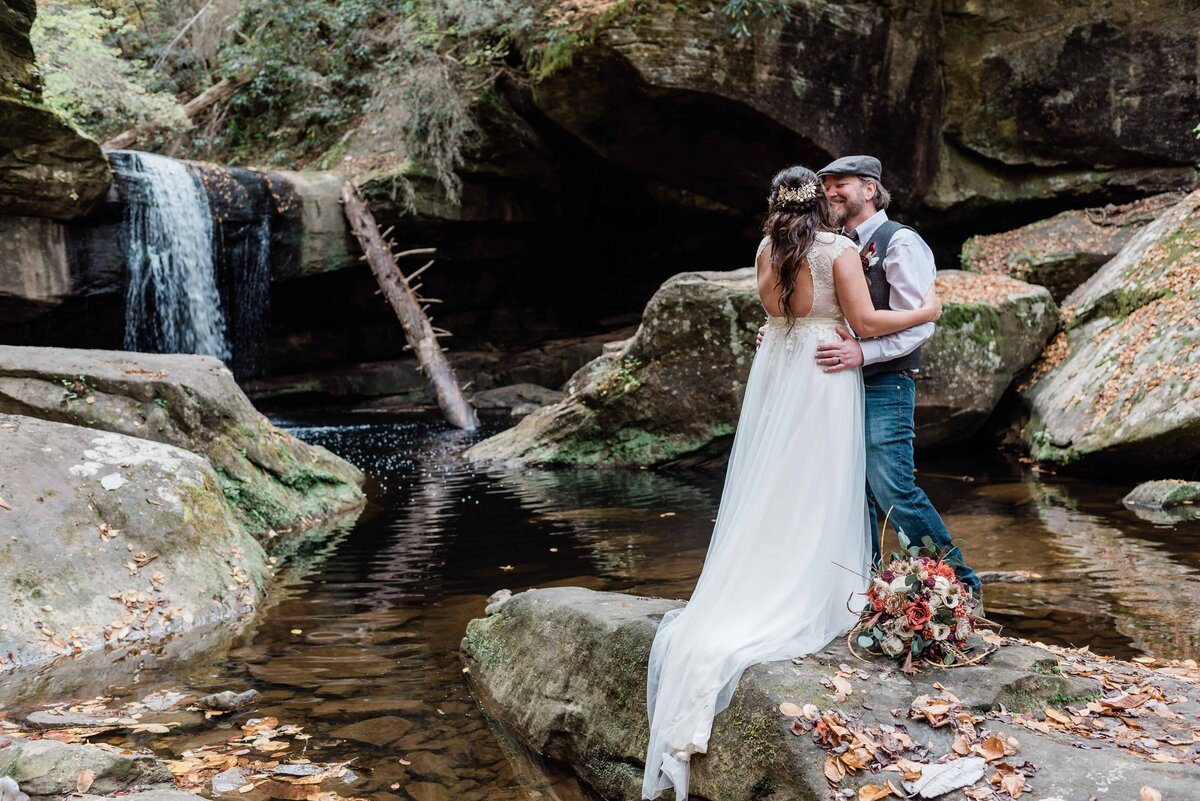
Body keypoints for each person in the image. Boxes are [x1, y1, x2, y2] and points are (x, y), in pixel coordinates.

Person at [641, 165, 942, 801]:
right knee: (823, 484)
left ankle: (769, 575)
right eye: (828, 193)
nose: (838, 199)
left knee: (775, 482)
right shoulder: (835, 251)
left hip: (778, 375)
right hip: (825, 378)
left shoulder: (765, 251)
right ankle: (822, 589)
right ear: (820, 204)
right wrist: (928, 308)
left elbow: (779, 314)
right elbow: (863, 321)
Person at [806, 155, 980, 593]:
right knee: (850, 492)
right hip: (836, 386)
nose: (830, 191)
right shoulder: (834, 244)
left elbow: (919, 324)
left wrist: (863, 354)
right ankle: (865, 591)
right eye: (825, 184)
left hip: (886, 383)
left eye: (840, 183)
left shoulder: (900, 242)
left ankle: (959, 587)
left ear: (869, 188)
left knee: (893, 488)